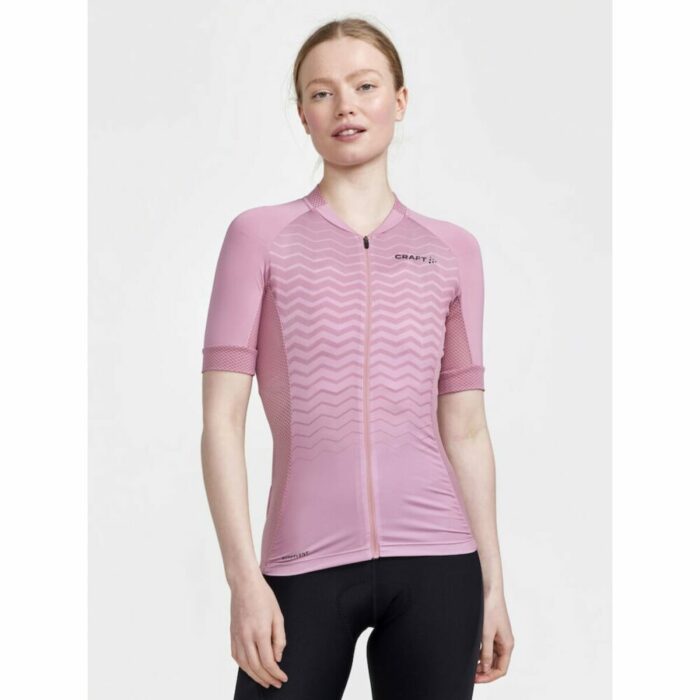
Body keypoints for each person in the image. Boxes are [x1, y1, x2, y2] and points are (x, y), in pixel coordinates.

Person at [200, 16, 514, 700]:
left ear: (399, 101)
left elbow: (466, 428)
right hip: (301, 562)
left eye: (365, 86)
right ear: (304, 116)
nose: (345, 105)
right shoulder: (259, 237)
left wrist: (492, 586)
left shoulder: (452, 250)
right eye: (322, 92)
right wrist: (243, 581)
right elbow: (222, 421)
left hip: (439, 562)